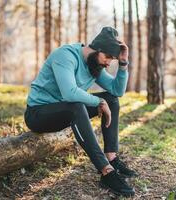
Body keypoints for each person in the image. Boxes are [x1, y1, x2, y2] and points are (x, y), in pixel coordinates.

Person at [24, 26, 137, 197]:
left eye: (111, 59)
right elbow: (69, 93)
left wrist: (123, 64)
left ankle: (112, 158)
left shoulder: (94, 64)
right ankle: (106, 171)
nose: (108, 63)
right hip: (38, 114)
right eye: (107, 57)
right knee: (76, 105)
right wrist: (98, 101)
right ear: (96, 49)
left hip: (65, 111)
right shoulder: (66, 55)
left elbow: (117, 91)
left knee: (111, 100)